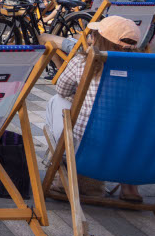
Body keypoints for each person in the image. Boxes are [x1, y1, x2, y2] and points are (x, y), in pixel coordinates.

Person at [43, 16, 144, 201]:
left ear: (98, 40)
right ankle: (129, 186)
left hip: (87, 144)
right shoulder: (145, 70)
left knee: (58, 102)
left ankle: (64, 177)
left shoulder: (84, 62)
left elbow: (62, 89)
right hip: (129, 148)